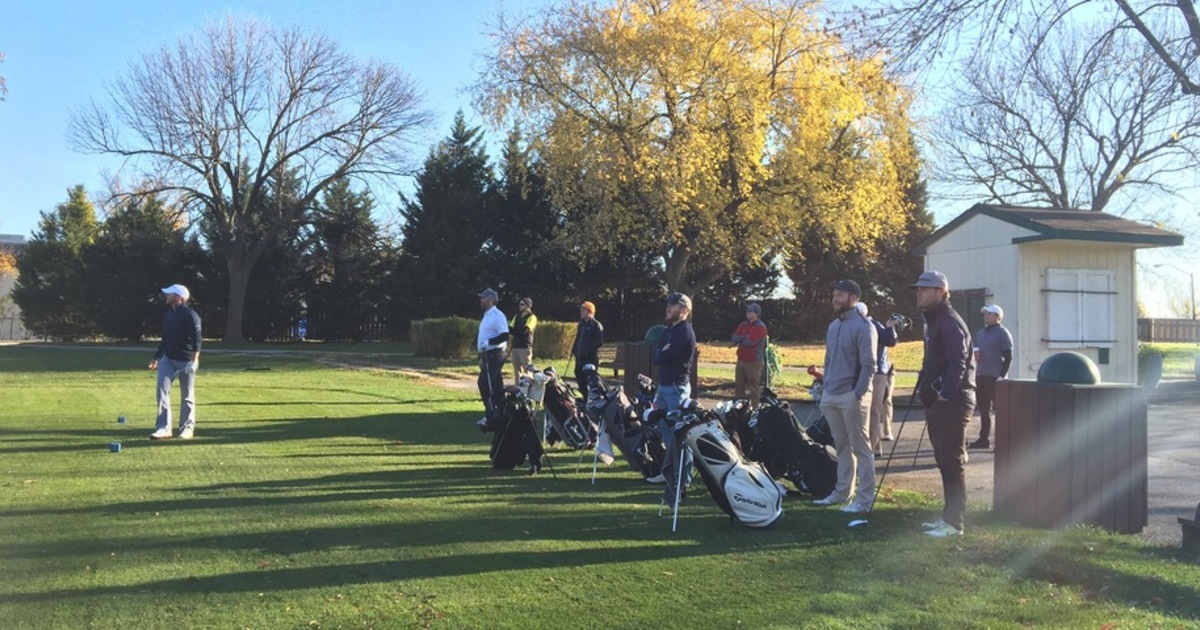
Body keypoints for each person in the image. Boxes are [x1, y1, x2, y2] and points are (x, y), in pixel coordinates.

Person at [911, 270, 976, 538]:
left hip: (953, 402)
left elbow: (958, 361)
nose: (919, 292)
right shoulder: (934, 320)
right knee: (943, 459)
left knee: (951, 460)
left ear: (941, 292)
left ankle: (954, 523)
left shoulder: (948, 321)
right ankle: (947, 518)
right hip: (939, 401)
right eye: (918, 289)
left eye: (925, 288)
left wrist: (945, 394)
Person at [813, 280, 877, 514]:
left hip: (853, 396)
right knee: (841, 446)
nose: (834, 298)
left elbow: (869, 365)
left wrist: (858, 394)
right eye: (834, 294)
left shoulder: (864, 326)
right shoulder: (833, 326)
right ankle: (842, 493)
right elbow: (829, 360)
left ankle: (864, 500)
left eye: (839, 295)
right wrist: (825, 387)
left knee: (862, 448)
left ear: (853, 298)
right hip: (831, 394)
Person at [650, 292, 697, 496]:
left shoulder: (684, 332)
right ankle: (670, 470)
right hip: (664, 386)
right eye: (668, 304)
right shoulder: (669, 331)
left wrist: (662, 353)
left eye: (673, 305)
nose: (668, 308)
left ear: (684, 310)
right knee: (665, 429)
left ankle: (682, 478)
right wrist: (661, 352)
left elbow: (666, 355)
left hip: (676, 388)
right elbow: (657, 354)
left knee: (679, 433)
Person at [149, 283, 202, 440]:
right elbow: (165, 339)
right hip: (168, 359)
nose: (166, 296)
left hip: (186, 361)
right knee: (162, 390)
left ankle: (187, 428)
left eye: (170, 294)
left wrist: (194, 361)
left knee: (187, 394)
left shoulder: (190, 315)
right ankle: (163, 428)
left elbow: (197, 339)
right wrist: (157, 357)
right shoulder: (168, 315)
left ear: (179, 297)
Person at [970, 304, 1013, 450]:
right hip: (981, 374)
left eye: (989, 314)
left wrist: (1002, 375)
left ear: (997, 317)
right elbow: (977, 351)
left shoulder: (1003, 333)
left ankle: (1002, 441)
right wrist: (976, 354)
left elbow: (1008, 356)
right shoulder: (981, 333)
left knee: (1000, 410)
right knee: (983, 409)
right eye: (985, 314)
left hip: (995, 376)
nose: (985, 316)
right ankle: (984, 439)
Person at [858, 302, 899, 457]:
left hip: (877, 373)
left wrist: (889, 328)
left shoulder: (874, 325)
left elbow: (890, 341)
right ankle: (870, 445)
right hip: (861, 371)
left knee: (874, 409)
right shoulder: (850, 326)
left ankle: (873, 446)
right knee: (863, 410)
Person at [475, 288, 510, 432]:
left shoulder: (497, 315)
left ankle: (490, 415)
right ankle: (501, 414)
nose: (481, 301)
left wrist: (489, 342)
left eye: (483, 298)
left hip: (495, 354)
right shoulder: (487, 315)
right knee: (496, 385)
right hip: (487, 354)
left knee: (484, 383)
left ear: (490, 299)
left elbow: (504, 335)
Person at [731, 302, 769, 407]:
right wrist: (745, 336)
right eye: (747, 310)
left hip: (754, 362)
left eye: (750, 311)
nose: (748, 312)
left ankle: (755, 409)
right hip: (741, 360)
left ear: (757, 313)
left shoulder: (761, 327)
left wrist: (741, 338)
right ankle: (739, 408)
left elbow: (750, 342)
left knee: (754, 388)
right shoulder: (743, 324)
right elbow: (734, 337)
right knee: (739, 386)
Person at [571, 301, 604, 390]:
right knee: (579, 376)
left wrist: (587, 351)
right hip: (579, 358)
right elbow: (578, 338)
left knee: (591, 380)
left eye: (583, 310)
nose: (581, 312)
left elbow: (599, 342)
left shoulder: (596, 325)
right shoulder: (581, 324)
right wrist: (574, 350)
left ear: (590, 311)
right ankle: (585, 398)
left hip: (589, 358)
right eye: (581, 310)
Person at [509, 297, 538, 383]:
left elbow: (526, 330)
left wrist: (516, 331)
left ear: (528, 306)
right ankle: (517, 390)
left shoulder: (532, 317)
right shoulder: (516, 316)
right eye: (519, 304)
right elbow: (510, 329)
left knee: (527, 370)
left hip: (525, 347)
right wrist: (517, 331)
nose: (519, 306)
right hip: (515, 346)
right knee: (517, 371)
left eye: (522, 304)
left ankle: (529, 390)